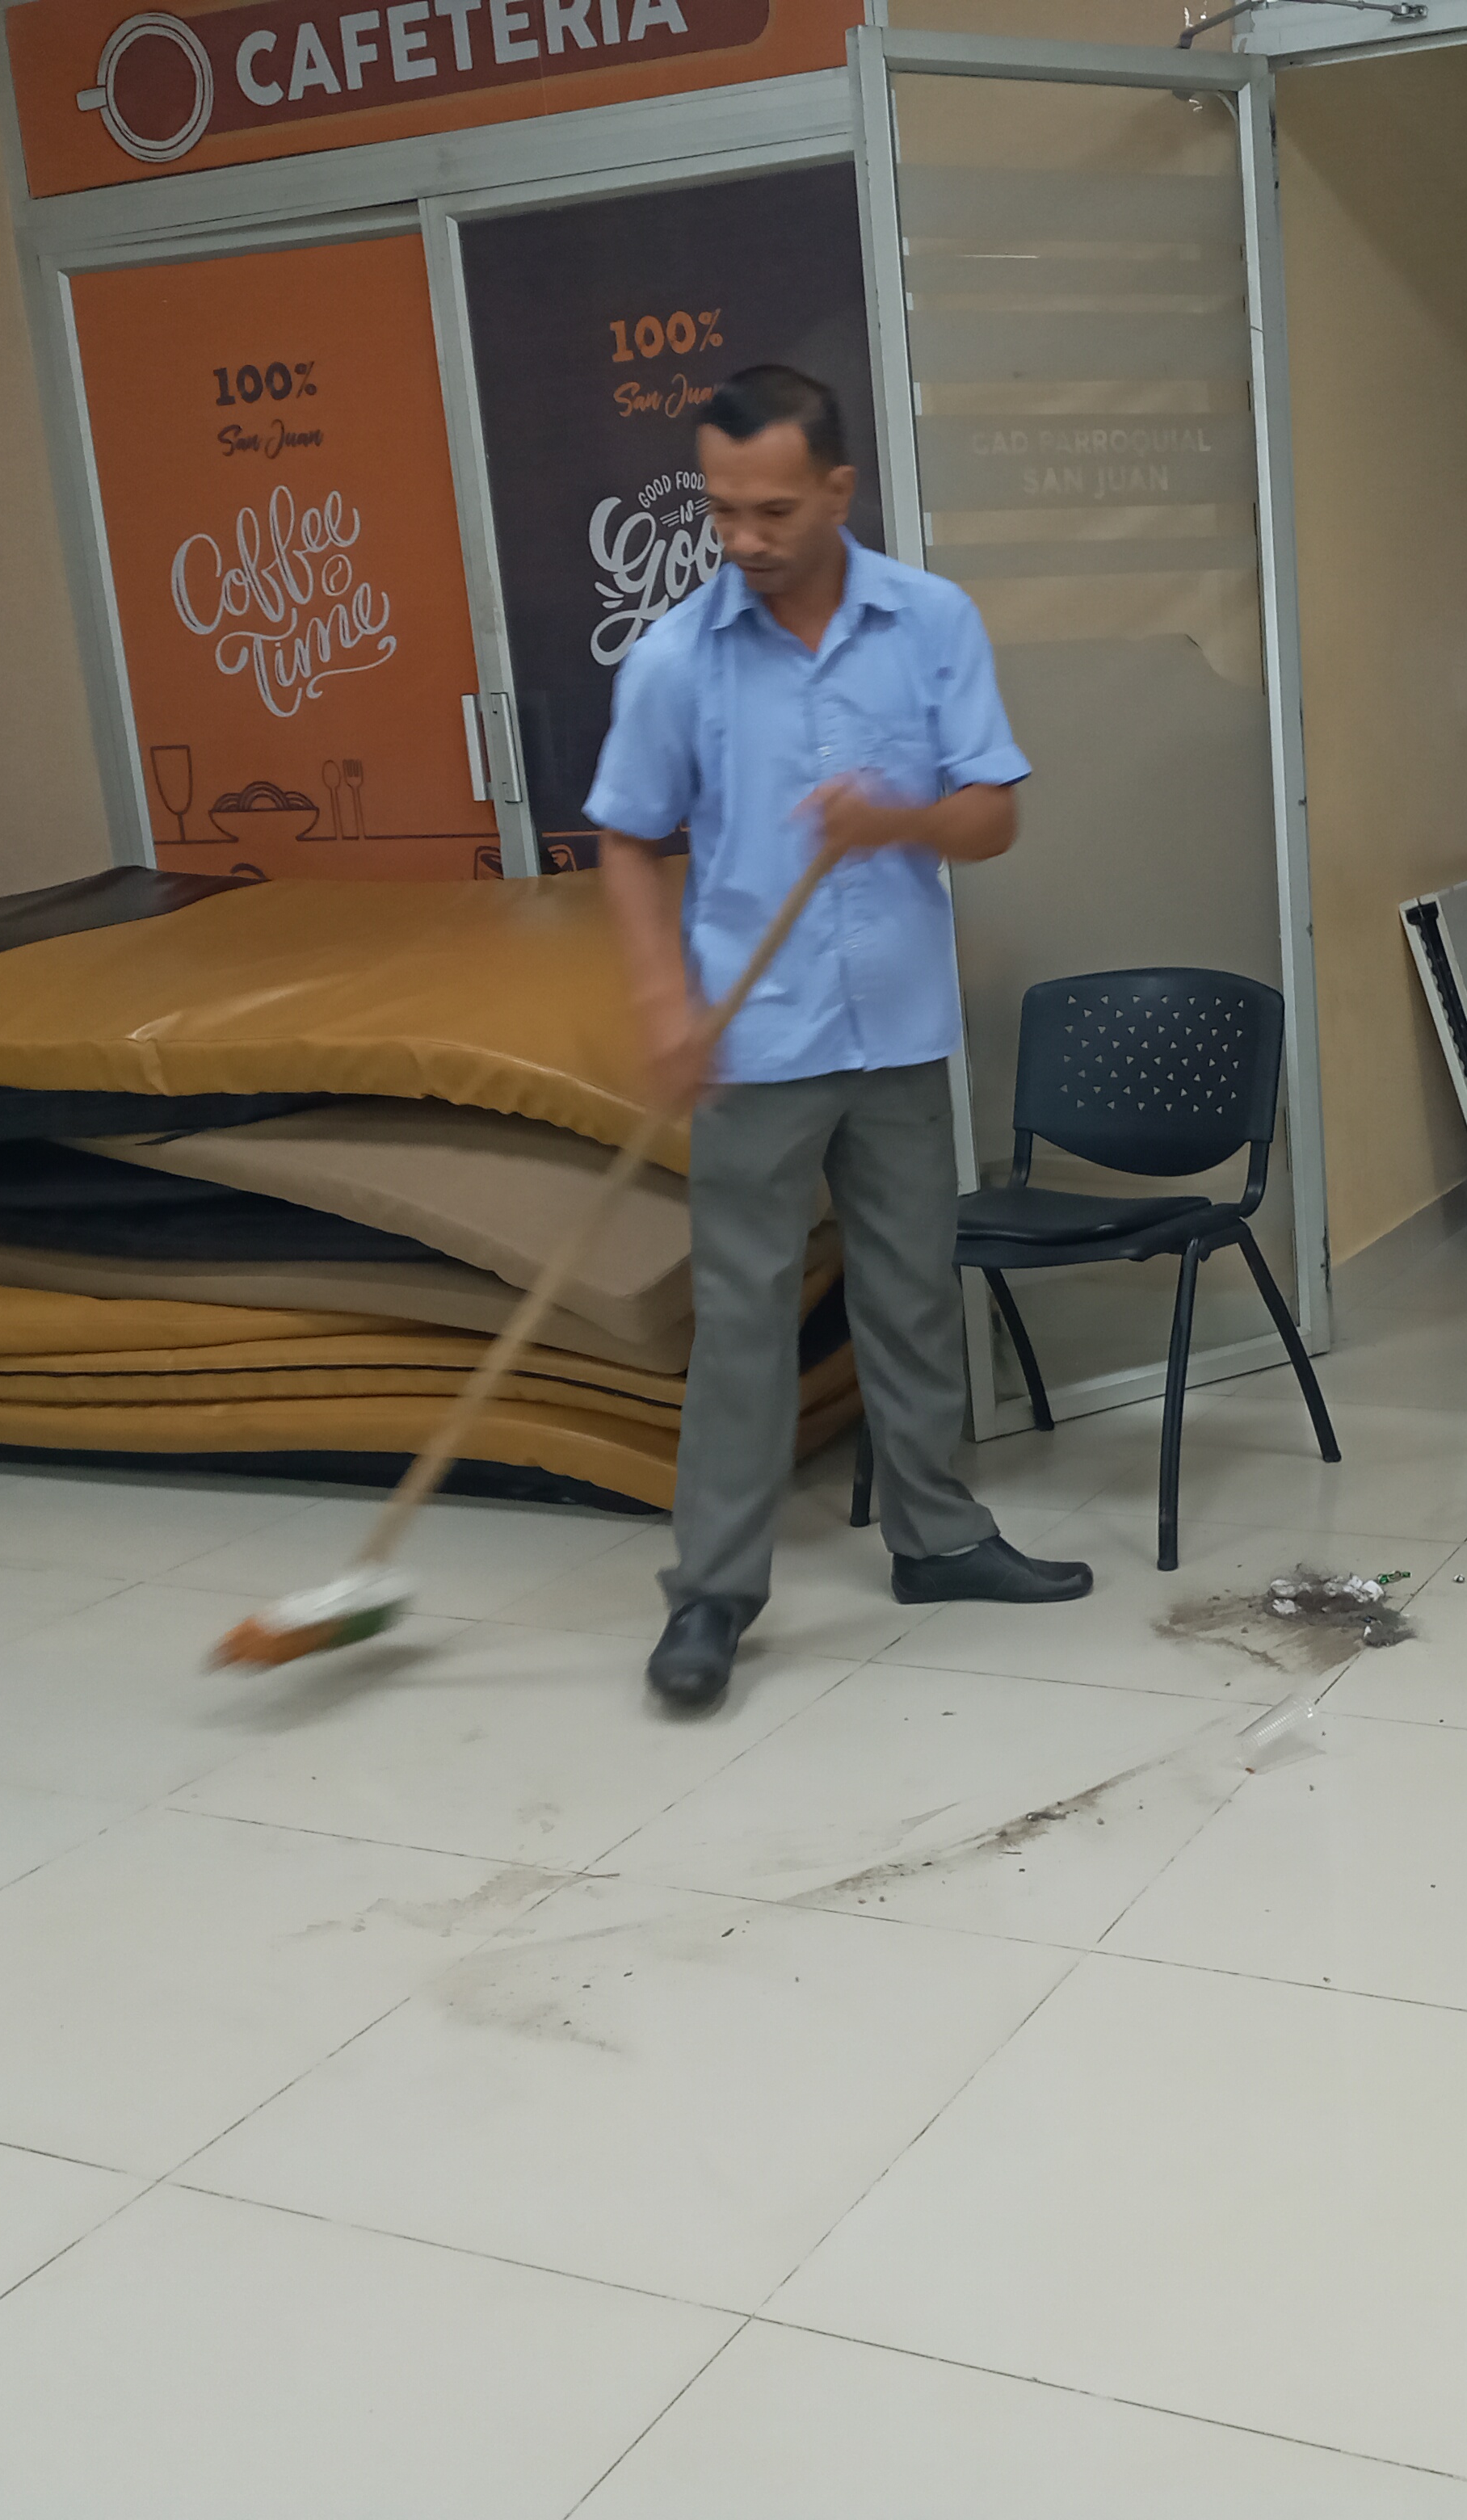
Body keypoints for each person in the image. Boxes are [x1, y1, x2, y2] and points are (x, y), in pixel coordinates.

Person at [588, 363, 1092, 1714]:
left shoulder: (930, 622)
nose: (744, 538)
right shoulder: (678, 658)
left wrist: (898, 822)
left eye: (771, 510)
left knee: (913, 1294)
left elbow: (994, 814)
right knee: (744, 1323)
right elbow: (626, 841)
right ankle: (712, 1593)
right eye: (722, 510)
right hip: (754, 1042)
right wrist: (663, 1005)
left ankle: (937, 1538)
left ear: (837, 489)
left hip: (898, 1030)